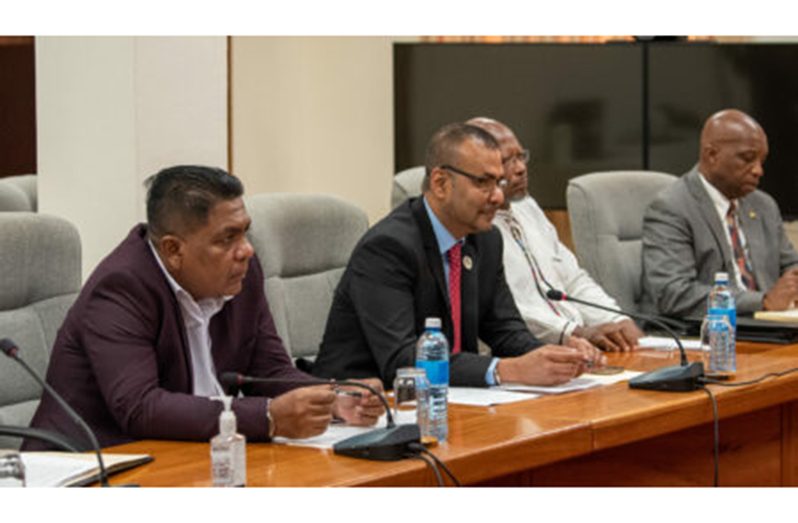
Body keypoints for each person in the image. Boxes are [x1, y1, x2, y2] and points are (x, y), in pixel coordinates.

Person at [24, 165, 383, 451]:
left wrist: (332, 398)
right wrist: (268, 416)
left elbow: (269, 369)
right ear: (173, 250)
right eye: (227, 238)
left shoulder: (242, 273)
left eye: (245, 232)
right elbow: (140, 407)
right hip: (97, 465)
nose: (246, 250)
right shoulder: (121, 288)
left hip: (196, 455)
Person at [312, 123, 604, 388]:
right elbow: (401, 360)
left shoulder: (486, 240)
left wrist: (556, 356)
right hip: (363, 408)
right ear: (440, 183)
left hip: (451, 400)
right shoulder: (388, 248)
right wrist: (507, 369)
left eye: (499, 183)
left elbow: (505, 329)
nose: (499, 197)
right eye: (483, 183)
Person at [468, 117, 643, 352]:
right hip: (527, 351)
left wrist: (615, 319)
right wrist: (572, 333)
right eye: (507, 160)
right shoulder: (472, 229)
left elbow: (573, 279)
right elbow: (505, 312)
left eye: (521, 156)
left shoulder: (528, 208)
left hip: (579, 344)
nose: (520, 168)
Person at [642, 109, 798, 318]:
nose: (758, 170)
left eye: (762, 161)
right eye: (747, 158)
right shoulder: (671, 207)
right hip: (708, 331)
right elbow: (672, 293)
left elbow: (789, 265)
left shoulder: (763, 205)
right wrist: (762, 302)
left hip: (768, 326)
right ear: (712, 155)